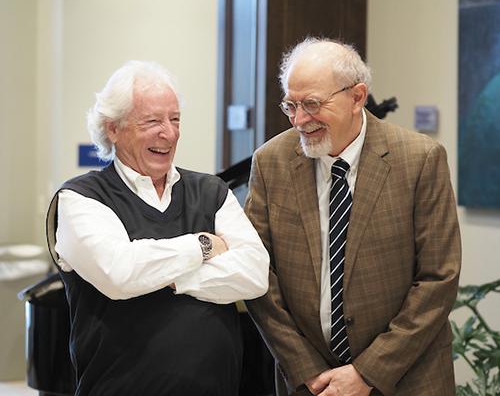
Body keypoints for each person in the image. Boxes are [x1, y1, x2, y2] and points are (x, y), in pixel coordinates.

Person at [244, 38, 461, 396]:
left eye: (312, 104)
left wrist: (366, 373)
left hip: (408, 378)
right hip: (311, 383)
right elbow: (258, 275)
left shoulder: (419, 160)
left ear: (357, 97)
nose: (299, 120)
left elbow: (438, 278)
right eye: (291, 105)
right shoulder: (271, 163)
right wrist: (307, 370)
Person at [45, 60, 269, 396]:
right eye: (152, 121)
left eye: (175, 119)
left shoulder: (211, 192)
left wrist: (166, 278)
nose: (170, 132)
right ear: (113, 129)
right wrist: (203, 246)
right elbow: (121, 274)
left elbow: (254, 274)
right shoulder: (80, 198)